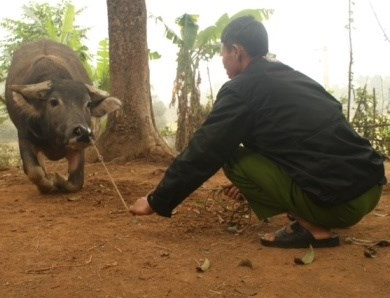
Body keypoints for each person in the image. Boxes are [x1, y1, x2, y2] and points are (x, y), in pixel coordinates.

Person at [129, 15, 386, 248]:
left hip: (341, 204)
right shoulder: (291, 76)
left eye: (223, 53)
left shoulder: (241, 90)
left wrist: (156, 200)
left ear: (237, 52)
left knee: (228, 155)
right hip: (369, 188)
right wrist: (259, 183)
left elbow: (205, 150)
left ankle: (315, 229)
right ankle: (311, 213)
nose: (223, 61)